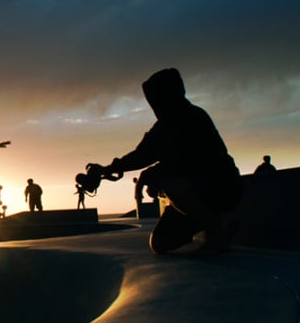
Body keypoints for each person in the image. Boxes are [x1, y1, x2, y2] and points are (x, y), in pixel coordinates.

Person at [89, 68, 241, 256]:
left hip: (220, 187)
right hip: (197, 193)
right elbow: (142, 155)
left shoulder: (192, 118)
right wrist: (108, 169)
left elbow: (188, 160)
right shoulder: (163, 126)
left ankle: (216, 235)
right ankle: (212, 224)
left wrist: (154, 173)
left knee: (170, 180)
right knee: (160, 243)